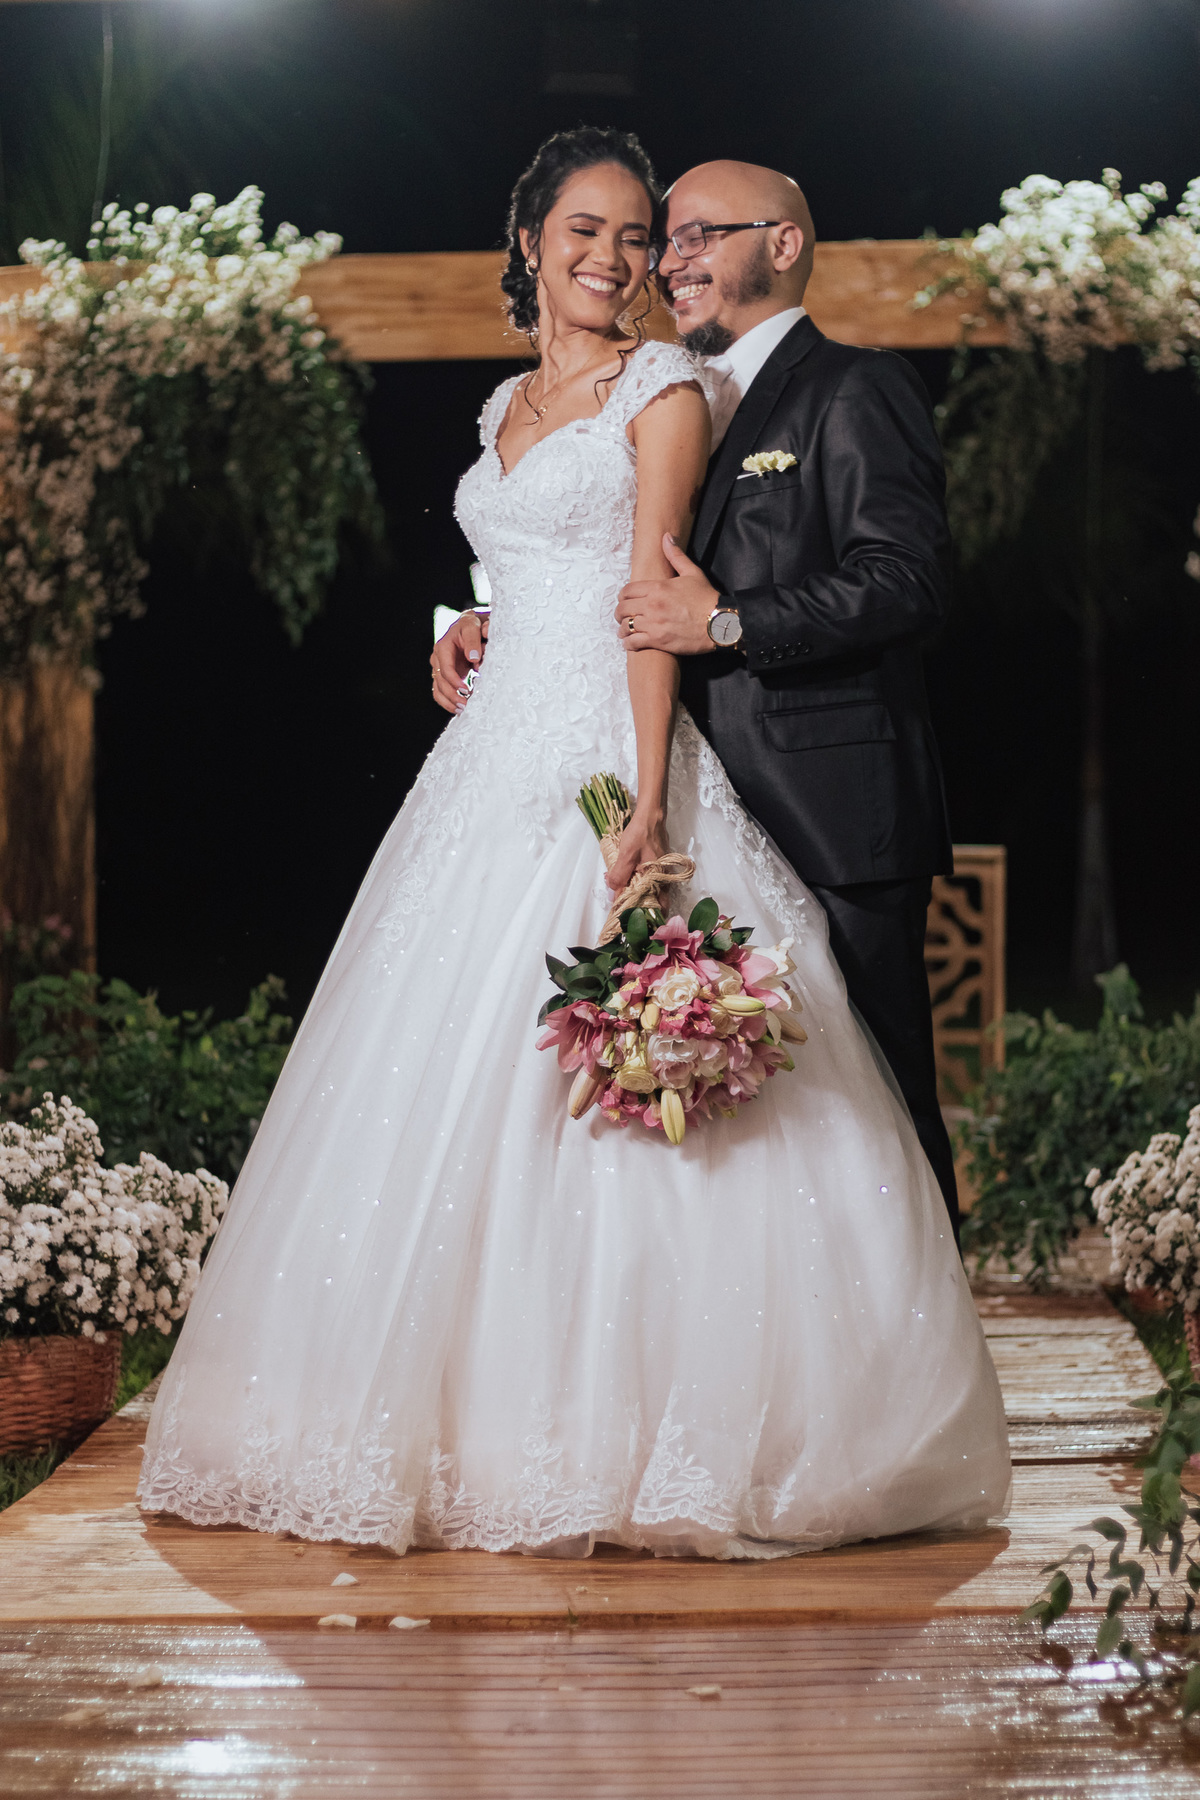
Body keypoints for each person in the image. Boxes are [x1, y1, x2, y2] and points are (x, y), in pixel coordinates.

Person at [139, 129, 1009, 1561]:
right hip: (500, 763)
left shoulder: (721, 389)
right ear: (530, 242)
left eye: (651, 234)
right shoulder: (525, 401)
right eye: (597, 233)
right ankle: (465, 1409)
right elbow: (549, 566)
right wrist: (468, 623)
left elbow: (693, 593)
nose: (632, 257)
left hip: (684, 768)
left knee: (798, 1110)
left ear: (772, 245)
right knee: (455, 1075)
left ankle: (827, 1402)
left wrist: (653, 784)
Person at [614, 160, 962, 1236]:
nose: (671, 262)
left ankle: (926, 1325)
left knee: (882, 1108)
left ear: (783, 243)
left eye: (698, 236)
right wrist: (487, 624)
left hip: (833, 817)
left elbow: (907, 579)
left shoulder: (855, 386)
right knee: (750, 1124)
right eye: (665, 243)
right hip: (702, 816)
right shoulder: (673, 406)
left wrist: (729, 623)